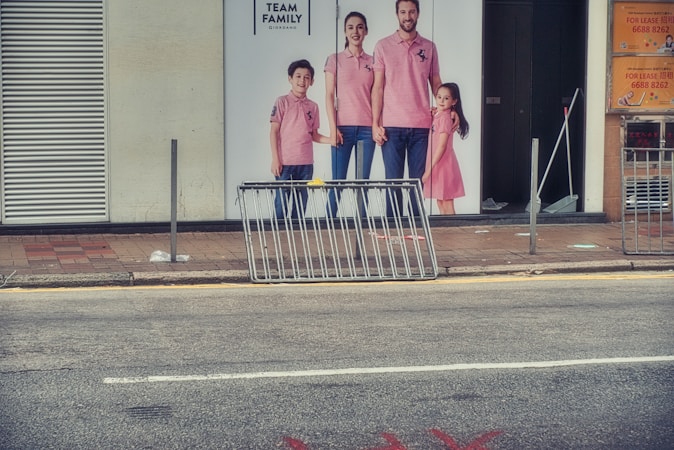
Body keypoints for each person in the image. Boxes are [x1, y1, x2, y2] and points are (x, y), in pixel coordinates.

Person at [371, 0, 445, 216]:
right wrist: (375, 124)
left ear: (418, 14)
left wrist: (446, 109)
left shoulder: (429, 47)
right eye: (403, 12)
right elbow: (378, 88)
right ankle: (393, 231)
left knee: (416, 183)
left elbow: (436, 82)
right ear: (397, 15)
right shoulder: (382, 46)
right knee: (392, 183)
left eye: (411, 11)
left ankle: (415, 229)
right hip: (391, 127)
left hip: (421, 126)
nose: (407, 16)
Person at [324, 11, 375, 217]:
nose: (356, 31)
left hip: (366, 130)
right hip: (342, 129)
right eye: (351, 27)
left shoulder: (373, 61)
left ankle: (362, 225)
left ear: (366, 31)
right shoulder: (334, 59)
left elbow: (379, 95)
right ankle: (328, 224)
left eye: (360, 27)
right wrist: (332, 127)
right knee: (337, 182)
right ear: (345, 31)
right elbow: (329, 95)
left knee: (362, 182)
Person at [270, 59, 330, 219]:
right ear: (290, 78)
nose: (302, 81)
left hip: (305, 165)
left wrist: (332, 140)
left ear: (312, 81)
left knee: (300, 205)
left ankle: (297, 239)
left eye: (306, 77)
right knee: (281, 204)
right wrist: (276, 159)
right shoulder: (282, 102)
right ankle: (279, 237)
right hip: (285, 164)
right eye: (298, 76)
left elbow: (314, 135)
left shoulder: (313, 106)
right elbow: (274, 132)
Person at [422, 82, 469, 215]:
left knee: (447, 203)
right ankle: (446, 234)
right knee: (440, 201)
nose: (441, 101)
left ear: (454, 101)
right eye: (439, 97)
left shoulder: (445, 118)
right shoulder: (439, 115)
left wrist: (428, 171)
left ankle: (453, 233)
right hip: (438, 164)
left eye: (446, 98)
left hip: (443, 164)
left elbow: (442, 146)